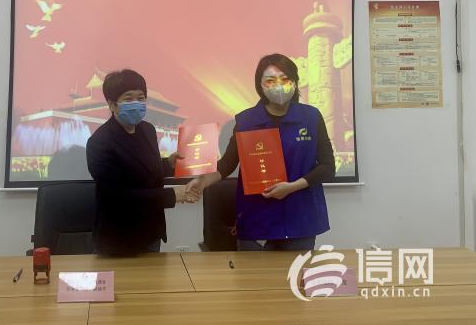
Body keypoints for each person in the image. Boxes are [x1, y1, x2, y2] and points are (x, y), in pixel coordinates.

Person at [187, 54, 335, 251]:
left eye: (285, 79)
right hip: (257, 219)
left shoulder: (311, 117)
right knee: (254, 271)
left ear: (295, 82)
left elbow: (328, 167)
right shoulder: (246, 121)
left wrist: (291, 187)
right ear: (260, 85)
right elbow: (226, 164)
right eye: (271, 80)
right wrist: (203, 181)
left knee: (295, 272)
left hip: (301, 219)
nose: (278, 85)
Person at [86, 69, 198, 256]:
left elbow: (145, 168)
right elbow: (116, 198)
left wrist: (169, 164)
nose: (136, 104)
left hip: (151, 232)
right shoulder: (100, 143)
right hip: (118, 239)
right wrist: (173, 195)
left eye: (141, 98)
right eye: (128, 98)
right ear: (112, 104)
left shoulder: (147, 130)